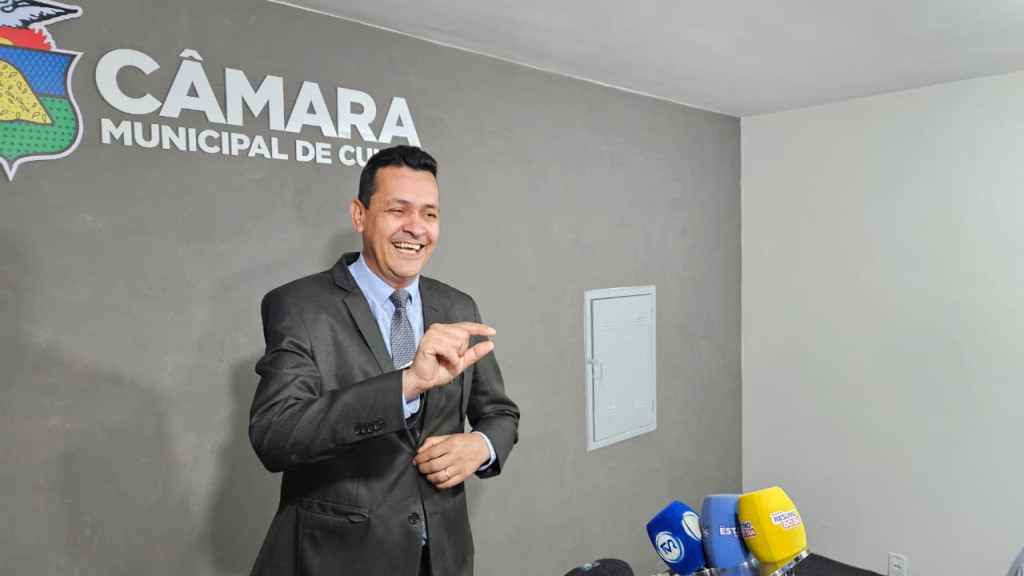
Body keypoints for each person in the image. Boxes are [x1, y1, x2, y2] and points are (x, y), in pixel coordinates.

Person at [248, 145, 520, 576]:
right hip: (337, 562)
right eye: (398, 210)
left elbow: (500, 413)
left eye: (429, 214)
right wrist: (405, 384)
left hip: (442, 560)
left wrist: (480, 446)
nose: (416, 228)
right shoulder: (298, 307)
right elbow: (276, 436)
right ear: (360, 215)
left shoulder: (457, 305)